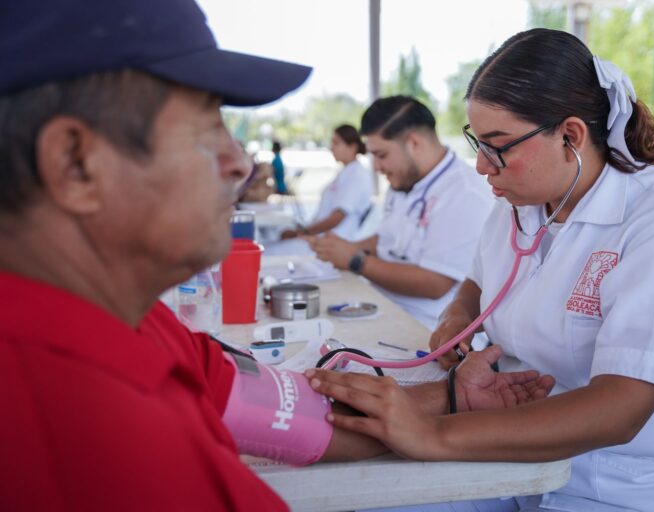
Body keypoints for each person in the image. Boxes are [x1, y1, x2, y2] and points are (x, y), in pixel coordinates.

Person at [0, 3, 556, 509]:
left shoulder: (144, 330)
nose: (240, 164)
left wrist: (452, 397)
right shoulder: (75, 441)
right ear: (75, 164)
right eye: (204, 124)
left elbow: (295, 415)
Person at [306, 28, 654, 511]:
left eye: (498, 144)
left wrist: (433, 432)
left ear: (570, 136)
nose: (481, 166)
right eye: (477, 142)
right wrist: (458, 318)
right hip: (511, 463)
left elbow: (620, 410)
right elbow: (476, 281)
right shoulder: (523, 207)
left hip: (625, 484)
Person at [307, 96, 494, 330]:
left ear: (414, 143)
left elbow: (435, 283)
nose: (376, 167)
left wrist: (355, 260)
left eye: (381, 155)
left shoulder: (465, 194)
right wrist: (344, 247)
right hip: (382, 307)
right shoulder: (405, 180)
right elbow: (385, 239)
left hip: (424, 327)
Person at [281, 124, 373, 240]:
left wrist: (301, 233)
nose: (332, 148)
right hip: (321, 238)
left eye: (336, 143)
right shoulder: (346, 172)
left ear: (352, 147)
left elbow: (336, 218)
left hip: (331, 243)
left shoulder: (357, 175)